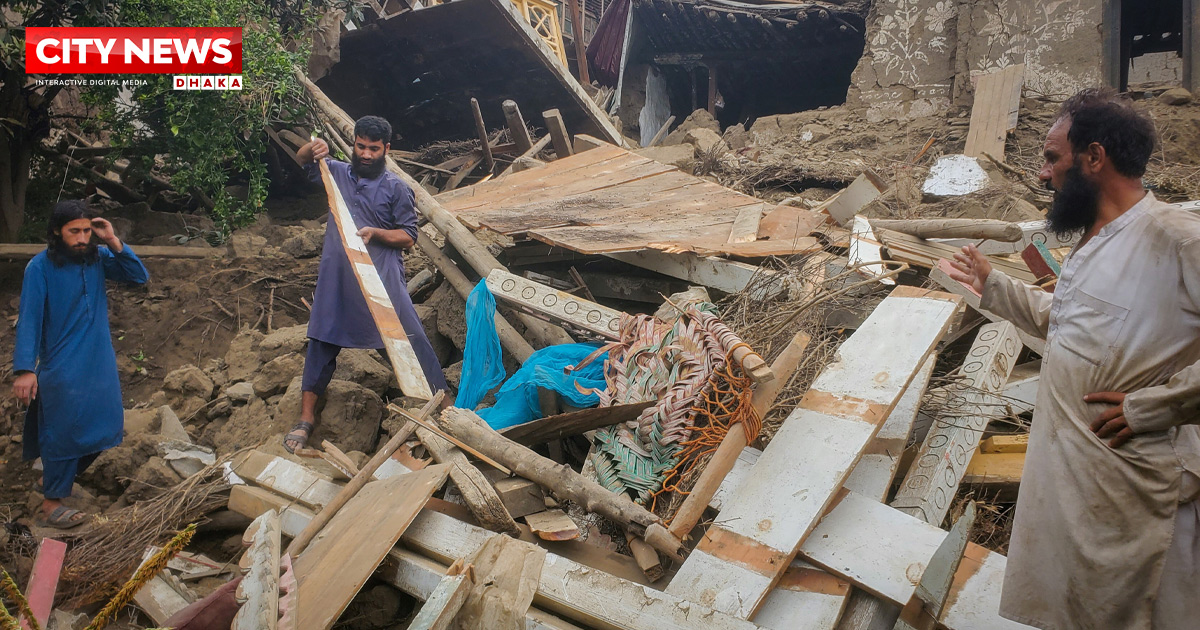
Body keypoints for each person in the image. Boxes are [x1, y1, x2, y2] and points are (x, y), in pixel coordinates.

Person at [950, 88, 1200, 629]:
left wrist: (1155, 407)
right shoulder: (1097, 239)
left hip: (1138, 487)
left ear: (1094, 157)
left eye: (1051, 157)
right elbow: (1074, 325)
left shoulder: (1177, 238)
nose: (1043, 175)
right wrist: (995, 287)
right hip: (1079, 482)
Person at [283, 116, 449, 453]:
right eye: (361, 147)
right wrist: (311, 149)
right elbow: (302, 162)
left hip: (382, 279)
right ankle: (305, 419)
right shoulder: (334, 173)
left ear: (386, 149)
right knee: (321, 339)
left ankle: (446, 409)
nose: (366, 154)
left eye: (374, 149)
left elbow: (409, 236)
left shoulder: (396, 188)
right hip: (338, 277)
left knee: (410, 340)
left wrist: (376, 233)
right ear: (354, 143)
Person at [12, 200, 150, 529]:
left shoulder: (98, 258)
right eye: (74, 231)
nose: (82, 238)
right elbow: (29, 319)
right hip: (62, 364)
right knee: (63, 431)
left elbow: (138, 276)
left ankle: (52, 478)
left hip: (98, 360)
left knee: (108, 423)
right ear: (57, 232)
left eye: (87, 231)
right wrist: (25, 370)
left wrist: (112, 239)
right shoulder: (39, 268)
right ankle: (51, 504)